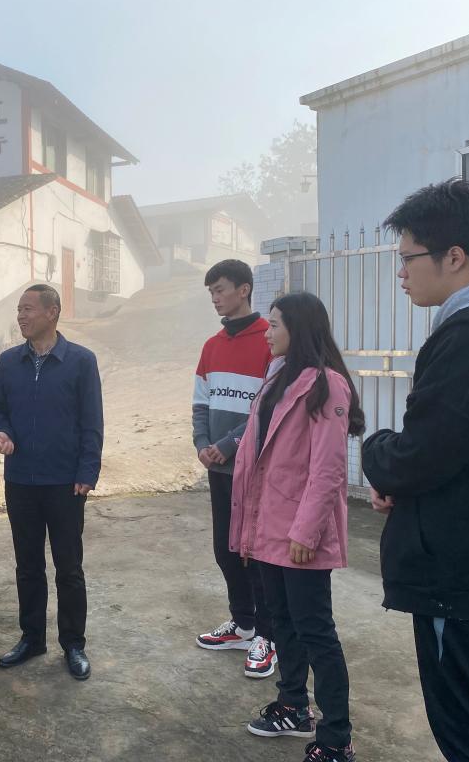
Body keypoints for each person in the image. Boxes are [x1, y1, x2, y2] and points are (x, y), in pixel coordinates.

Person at [361, 179, 469, 761]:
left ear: (454, 257)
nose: (401, 272)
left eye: (408, 258)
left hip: (460, 573)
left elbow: (423, 455)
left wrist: (377, 454)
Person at [231, 292, 363, 762]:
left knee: (315, 632)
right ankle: (292, 706)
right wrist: (246, 529)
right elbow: (256, 457)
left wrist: (306, 532)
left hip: (300, 536)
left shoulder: (328, 385)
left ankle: (336, 737)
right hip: (267, 528)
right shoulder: (277, 378)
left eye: (274, 325)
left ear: (299, 328)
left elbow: (328, 469)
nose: (267, 333)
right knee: (281, 621)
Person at [0, 283, 103, 681]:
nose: (21, 316)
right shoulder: (9, 362)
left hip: (65, 483)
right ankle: (32, 638)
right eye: (19, 309)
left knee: (69, 567)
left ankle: (73, 643)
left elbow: (92, 421)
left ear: (52, 312)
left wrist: (87, 471)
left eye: (28, 309)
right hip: (20, 480)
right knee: (28, 565)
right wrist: (1, 431)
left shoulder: (81, 361)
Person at [192, 259, 277, 678]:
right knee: (225, 549)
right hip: (218, 468)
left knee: (255, 553)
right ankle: (243, 624)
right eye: (210, 292)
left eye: (220, 289)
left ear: (244, 290)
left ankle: (268, 635)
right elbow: (200, 402)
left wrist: (227, 446)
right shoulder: (211, 346)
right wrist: (202, 445)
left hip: (253, 470)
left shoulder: (270, 341)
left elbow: (268, 408)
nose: (215, 298)